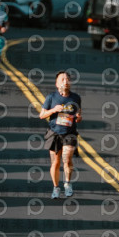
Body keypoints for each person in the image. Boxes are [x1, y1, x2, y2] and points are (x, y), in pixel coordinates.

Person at [39, 71, 82, 199]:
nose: (65, 81)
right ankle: (56, 187)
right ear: (57, 84)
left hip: (70, 133)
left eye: (67, 79)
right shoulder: (51, 97)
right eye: (62, 79)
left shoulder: (76, 98)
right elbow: (42, 115)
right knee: (56, 162)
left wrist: (78, 118)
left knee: (67, 159)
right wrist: (53, 110)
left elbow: (78, 114)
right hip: (54, 133)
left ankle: (67, 184)